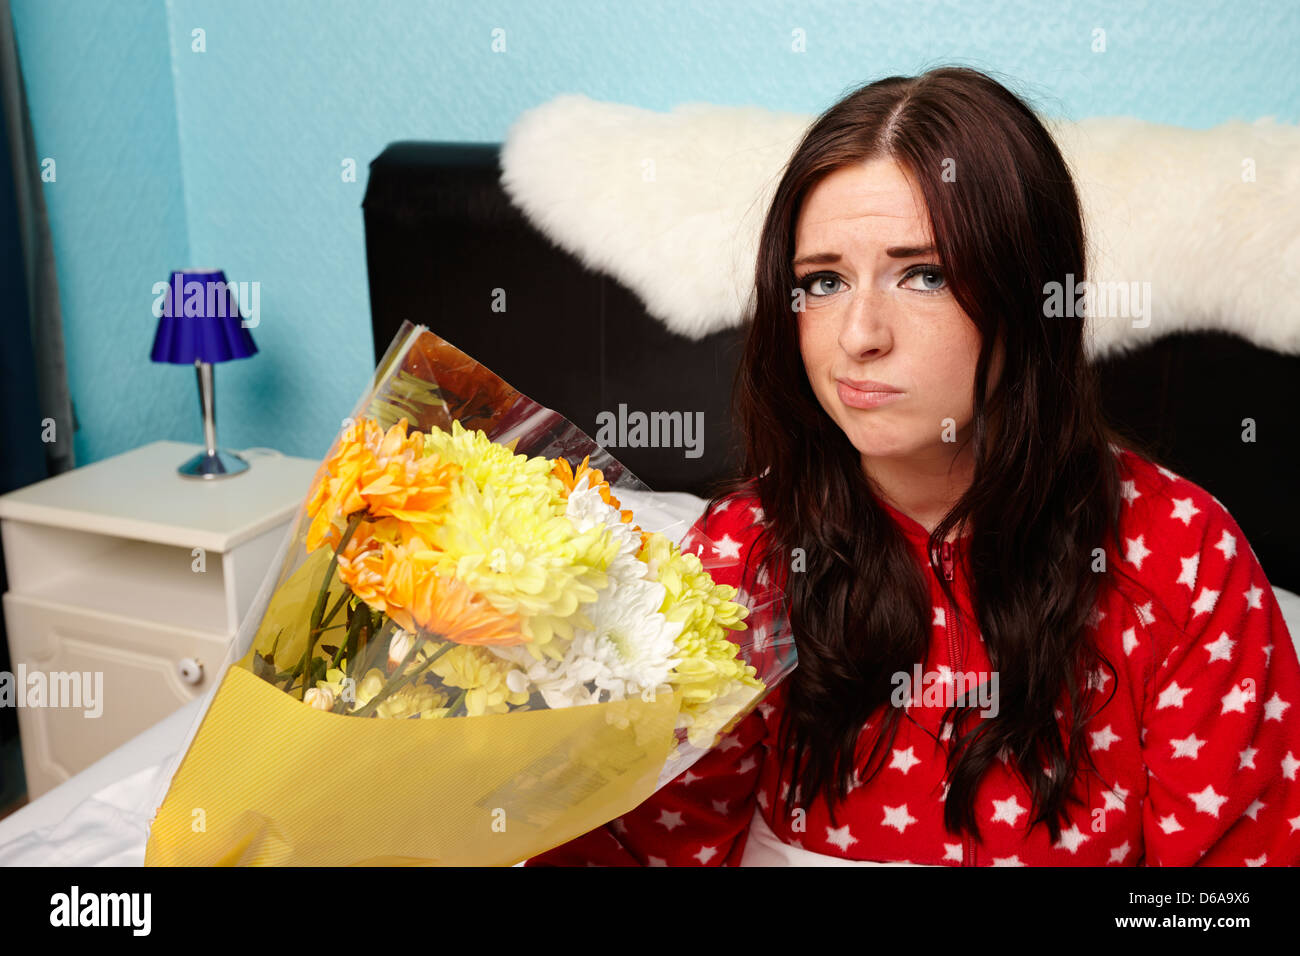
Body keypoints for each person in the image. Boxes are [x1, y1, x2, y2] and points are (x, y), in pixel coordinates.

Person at [525, 66, 1300, 866]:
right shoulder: (741, 559)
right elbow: (649, 851)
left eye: (923, 275)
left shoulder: (1182, 558)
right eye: (821, 282)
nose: (858, 334)